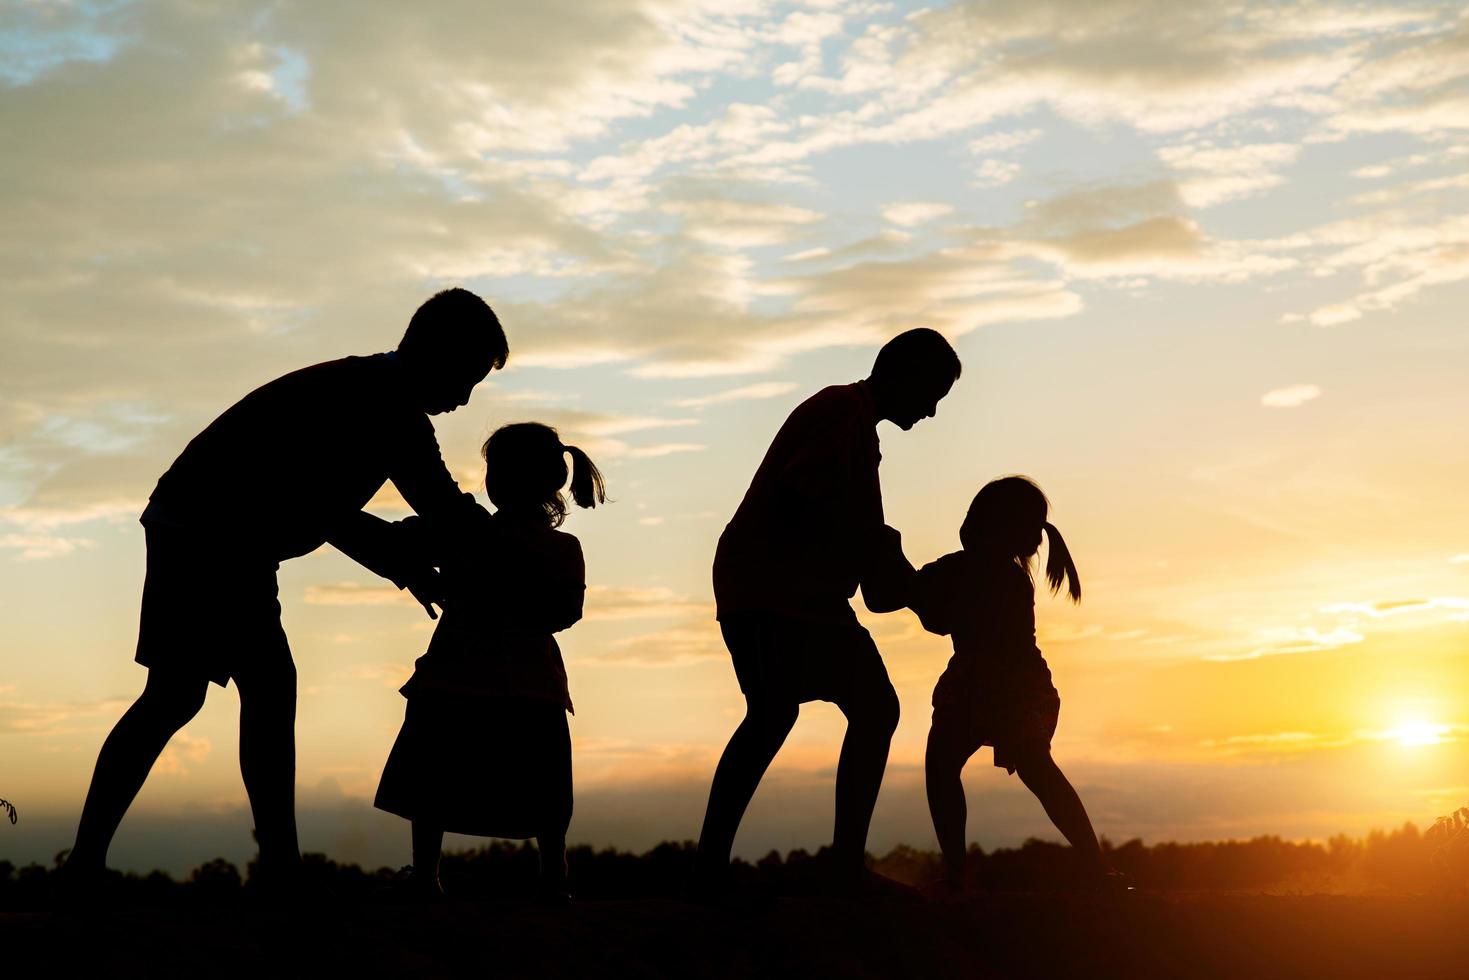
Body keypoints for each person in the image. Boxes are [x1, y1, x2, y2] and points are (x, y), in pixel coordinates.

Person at [66, 288, 507, 888]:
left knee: (221, 693)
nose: (464, 398)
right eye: (467, 378)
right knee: (203, 694)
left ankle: (261, 866)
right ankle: (255, 868)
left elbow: (404, 510)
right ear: (435, 353)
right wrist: (497, 542)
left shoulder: (386, 402)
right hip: (205, 530)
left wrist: (416, 553)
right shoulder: (379, 404)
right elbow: (379, 511)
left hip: (220, 535)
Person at [695, 328, 962, 898]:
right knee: (844, 709)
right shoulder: (841, 410)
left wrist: (902, 581)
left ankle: (724, 867)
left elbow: (866, 555)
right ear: (904, 373)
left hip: (784, 588)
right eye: (934, 392)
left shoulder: (857, 425)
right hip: (776, 586)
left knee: (793, 714)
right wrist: (894, 570)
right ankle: (824, 869)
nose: (934, 411)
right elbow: (808, 496)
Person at [374, 423, 605, 904]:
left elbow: (563, 611)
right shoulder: (551, 546)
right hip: (523, 681)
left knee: (435, 782)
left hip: (468, 674)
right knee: (536, 786)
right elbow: (566, 612)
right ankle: (550, 876)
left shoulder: (470, 533)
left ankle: (429, 876)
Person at [912, 476, 1118, 892]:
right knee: (1014, 769)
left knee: (986, 767)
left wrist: (908, 580)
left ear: (989, 527)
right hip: (999, 685)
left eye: (974, 517)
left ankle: (959, 873)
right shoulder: (985, 571)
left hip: (1005, 688)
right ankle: (1092, 868)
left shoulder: (992, 575)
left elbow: (940, 618)